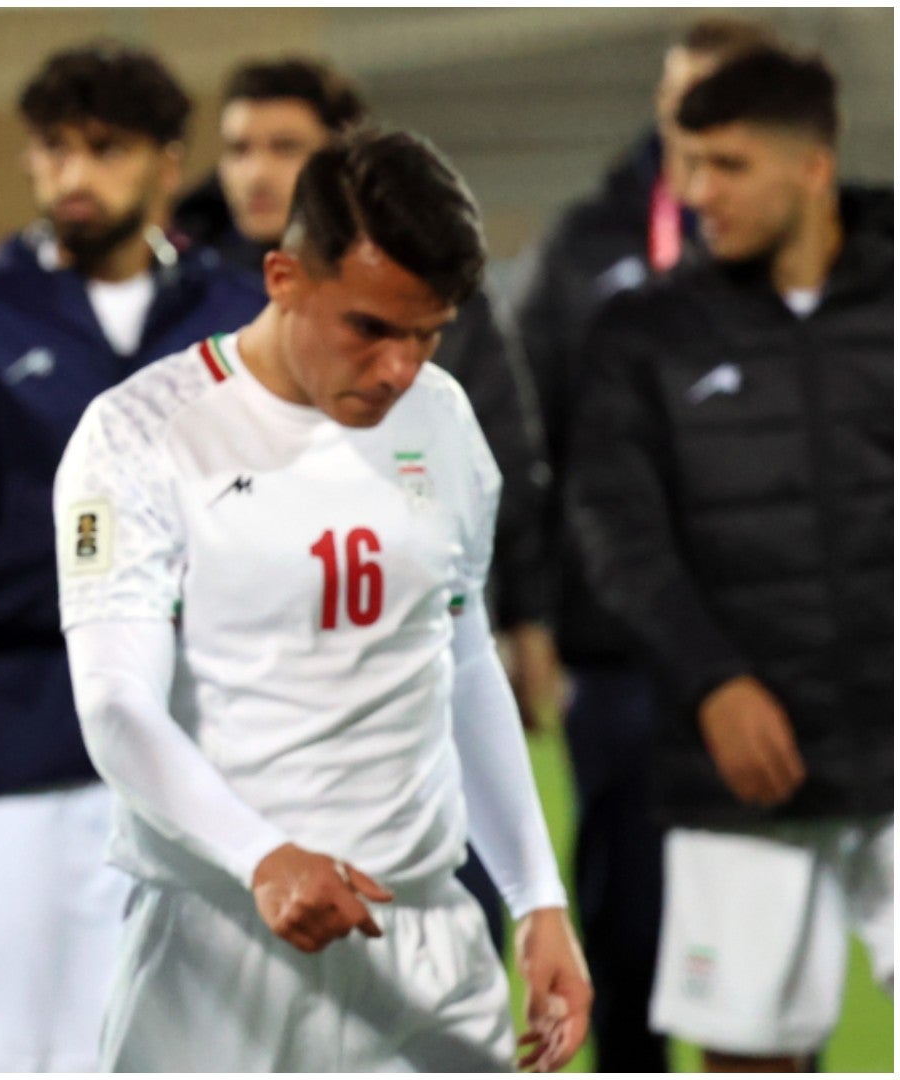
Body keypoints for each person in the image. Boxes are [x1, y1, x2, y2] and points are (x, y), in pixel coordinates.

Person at [54, 128, 592, 1072]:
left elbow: (461, 659)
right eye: (372, 328)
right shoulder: (139, 435)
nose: (399, 368)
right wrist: (261, 856)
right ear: (283, 278)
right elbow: (114, 701)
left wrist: (536, 897)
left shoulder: (445, 418)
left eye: (427, 334)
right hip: (221, 945)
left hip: (427, 944)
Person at [170, 55, 553, 959]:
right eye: (238, 148)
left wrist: (527, 615)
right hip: (249, 705)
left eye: (284, 148)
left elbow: (495, 458)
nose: (257, 172)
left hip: (406, 663)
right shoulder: (179, 296)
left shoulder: (429, 301)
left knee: (438, 933)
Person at [566, 46, 892, 1072]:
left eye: (728, 165)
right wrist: (712, 680)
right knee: (749, 1060)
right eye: (687, 162)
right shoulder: (646, 330)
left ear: (811, 162)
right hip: (740, 765)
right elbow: (618, 532)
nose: (697, 191)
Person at [0, 43, 265, 1072]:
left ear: (168, 164)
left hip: (216, 747)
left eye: (106, 150)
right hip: (25, 743)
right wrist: (130, 583)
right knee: (27, 1053)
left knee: (208, 1048)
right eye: (53, 151)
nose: (73, 176)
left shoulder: (239, 319)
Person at [511, 17, 781, 1070]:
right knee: (627, 918)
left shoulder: (821, 251)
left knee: (763, 943)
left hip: (780, 643)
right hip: (620, 646)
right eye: (683, 101)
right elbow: (531, 436)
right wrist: (525, 611)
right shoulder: (588, 243)